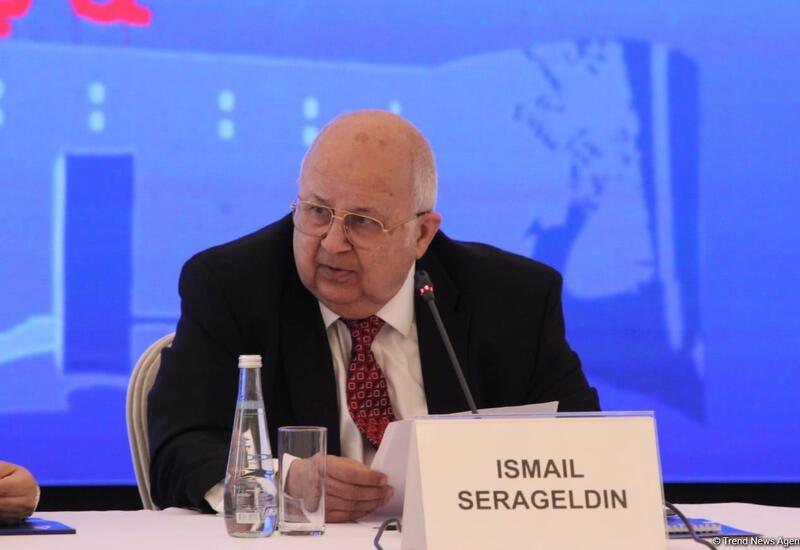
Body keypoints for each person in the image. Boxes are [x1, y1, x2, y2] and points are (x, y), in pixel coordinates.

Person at [148, 110, 600, 522]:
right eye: (317, 212)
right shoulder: (232, 286)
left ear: (421, 235)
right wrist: (285, 483)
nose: (332, 243)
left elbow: (585, 453)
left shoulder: (513, 298)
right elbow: (178, 450)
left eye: (363, 222)